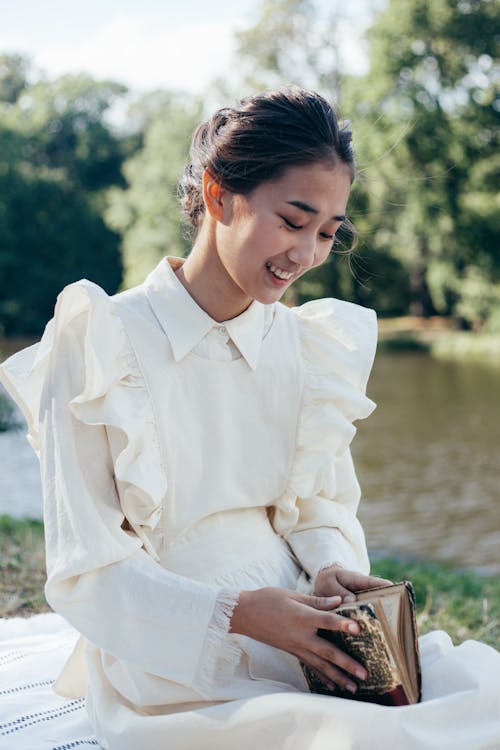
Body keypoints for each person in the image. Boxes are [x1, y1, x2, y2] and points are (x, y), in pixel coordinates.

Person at [0, 87, 499, 750]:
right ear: (218, 195)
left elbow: (317, 505)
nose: (309, 253)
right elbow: (85, 568)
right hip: (172, 652)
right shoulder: (99, 341)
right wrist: (235, 615)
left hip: (305, 621)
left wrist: (327, 569)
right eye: (293, 221)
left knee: (478, 692)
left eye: (328, 232)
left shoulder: (305, 347)